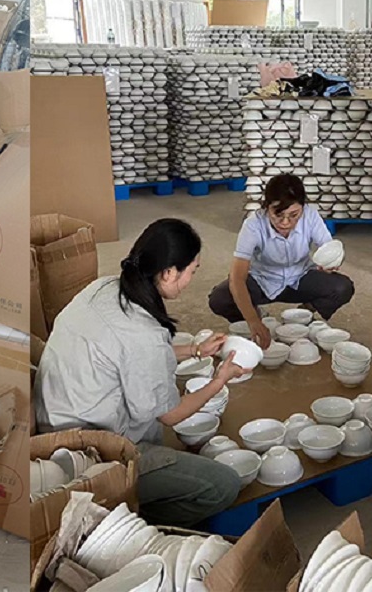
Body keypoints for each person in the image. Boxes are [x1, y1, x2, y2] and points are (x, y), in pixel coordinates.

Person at [35, 219, 249, 528]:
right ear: (169, 272)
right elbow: (171, 415)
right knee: (223, 484)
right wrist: (220, 379)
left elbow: (129, 355)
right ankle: (121, 520)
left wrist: (195, 350)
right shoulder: (144, 333)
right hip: (92, 454)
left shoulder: (104, 287)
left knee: (155, 408)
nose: (191, 279)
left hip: (53, 427)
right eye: (193, 270)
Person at [207, 174, 355, 349]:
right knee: (220, 298)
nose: (285, 222)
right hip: (263, 281)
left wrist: (332, 262)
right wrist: (253, 320)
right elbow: (237, 277)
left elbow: (329, 248)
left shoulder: (310, 216)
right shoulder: (253, 225)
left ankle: (304, 313)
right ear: (267, 207)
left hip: (300, 278)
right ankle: (256, 315)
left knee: (342, 287)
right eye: (278, 214)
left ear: (303, 208)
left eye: (294, 215)